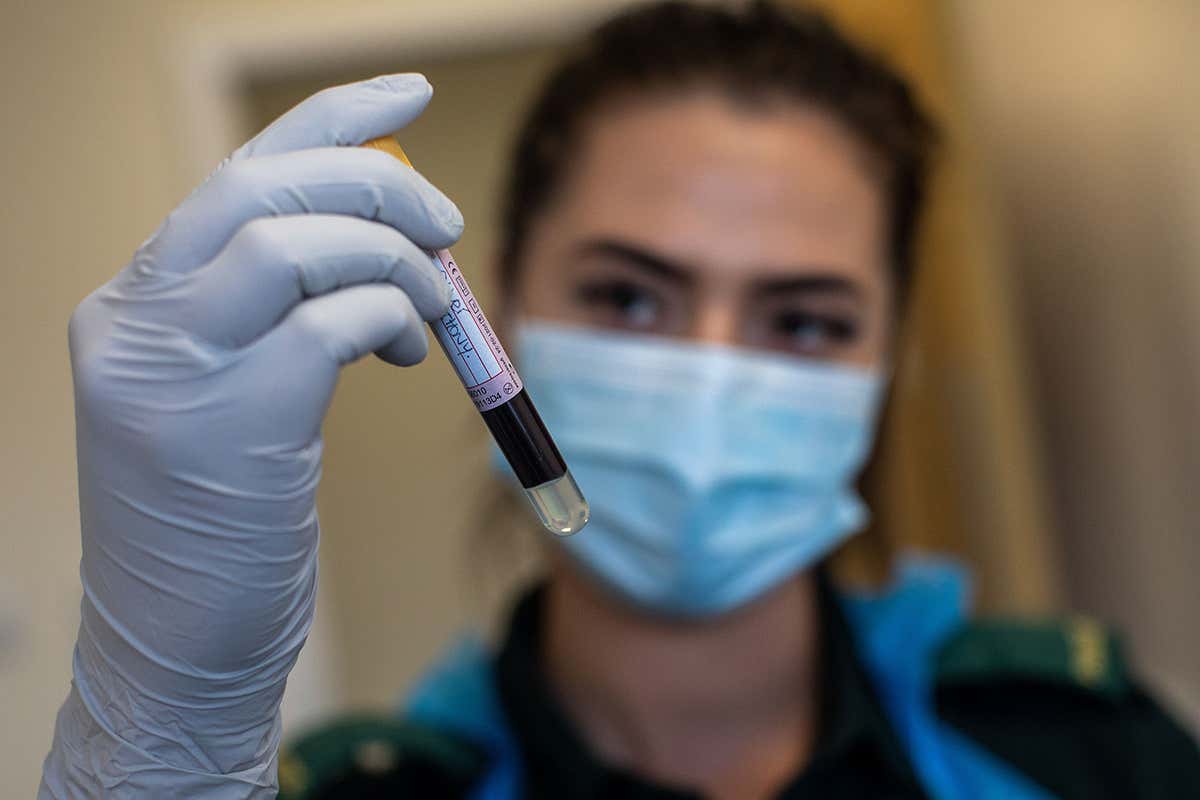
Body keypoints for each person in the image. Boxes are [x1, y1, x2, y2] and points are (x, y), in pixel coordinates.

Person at [40, 2, 1199, 799]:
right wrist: (156, 734)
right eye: (632, 298)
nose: (707, 370)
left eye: (802, 320)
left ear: (887, 353)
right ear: (494, 302)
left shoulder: (1086, 751)